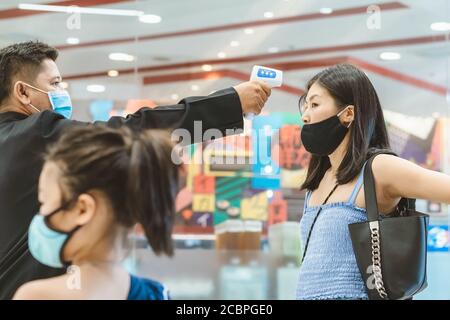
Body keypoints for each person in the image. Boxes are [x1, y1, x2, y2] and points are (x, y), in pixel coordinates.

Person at [0, 41, 271, 299]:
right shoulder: (37, 133)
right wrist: (229, 104)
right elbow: (131, 132)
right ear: (22, 92)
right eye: (55, 84)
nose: (62, 92)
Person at [296, 63, 450, 300]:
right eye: (305, 105)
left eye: (314, 104)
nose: (305, 114)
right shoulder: (318, 182)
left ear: (348, 114)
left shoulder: (379, 168)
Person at [13, 125, 179, 299]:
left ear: (82, 209)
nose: (42, 213)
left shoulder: (36, 296)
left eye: (44, 201)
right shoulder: (157, 294)